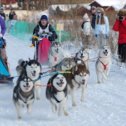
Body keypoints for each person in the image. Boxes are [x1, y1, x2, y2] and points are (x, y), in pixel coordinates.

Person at [0, 15, 10, 82]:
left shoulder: (0, 18)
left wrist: (1, 34)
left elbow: (3, 28)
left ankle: (5, 75)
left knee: (3, 57)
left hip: (0, 40)